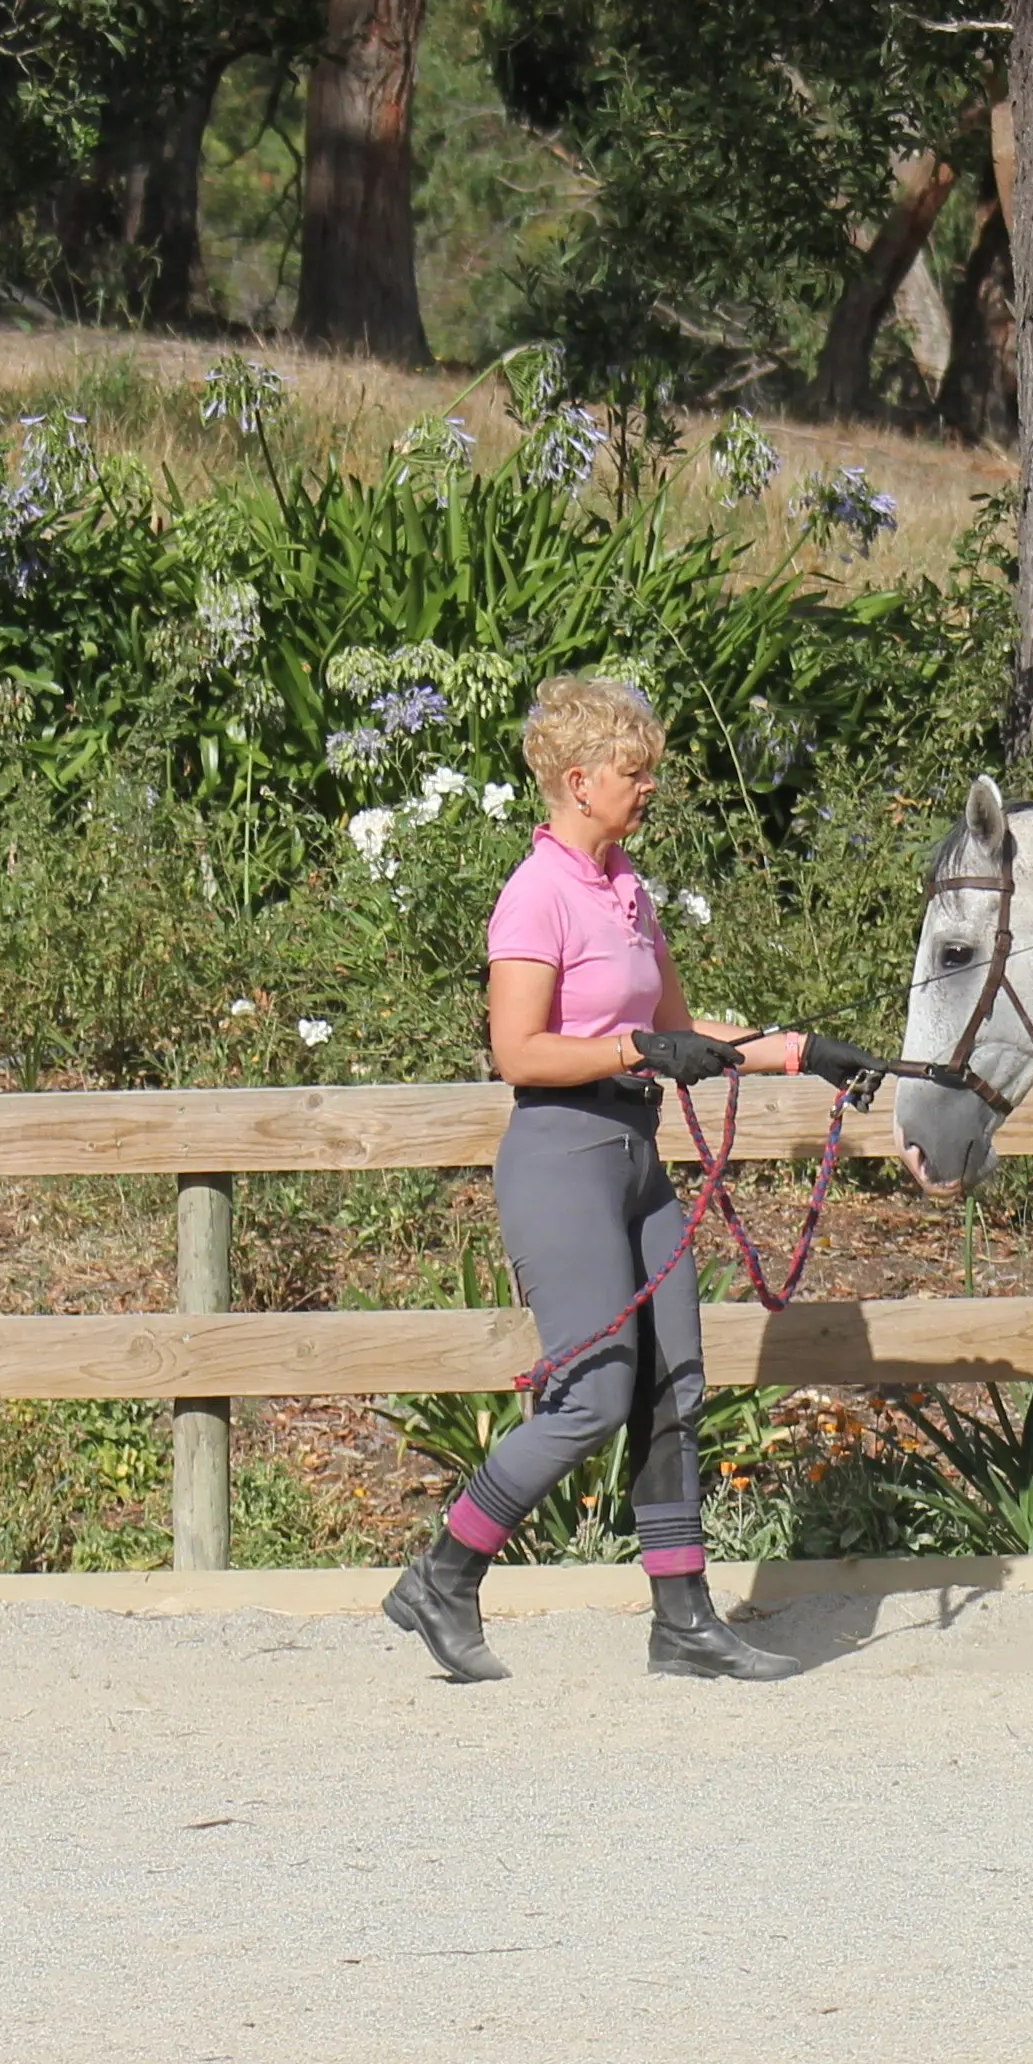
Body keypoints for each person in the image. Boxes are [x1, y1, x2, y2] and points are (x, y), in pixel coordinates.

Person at [384, 675, 807, 1687]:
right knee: (591, 1395)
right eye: (634, 770)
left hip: (632, 1156)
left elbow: (678, 1023)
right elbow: (521, 1052)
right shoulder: (537, 893)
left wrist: (797, 1052)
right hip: (563, 1154)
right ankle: (445, 1570)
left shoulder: (626, 889)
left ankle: (683, 1621)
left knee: (675, 1382)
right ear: (579, 781)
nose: (650, 785)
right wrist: (634, 1048)